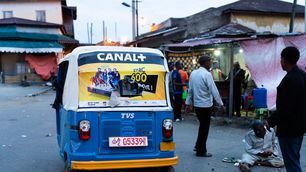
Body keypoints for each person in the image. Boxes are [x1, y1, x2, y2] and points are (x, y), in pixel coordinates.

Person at [266, 46, 306, 172]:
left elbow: (286, 108)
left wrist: (270, 121)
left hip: (289, 128)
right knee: (294, 159)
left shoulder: (290, 79)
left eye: (281, 59)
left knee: (292, 164)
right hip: (299, 126)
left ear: (283, 60)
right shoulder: (301, 75)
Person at [185, 55, 224, 157]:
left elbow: (190, 90)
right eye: (210, 61)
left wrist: (188, 104)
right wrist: (221, 104)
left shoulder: (193, 73)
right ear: (205, 62)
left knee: (202, 126)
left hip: (197, 106)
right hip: (206, 105)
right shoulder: (206, 74)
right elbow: (214, 90)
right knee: (204, 128)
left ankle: (198, 146)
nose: (211, 63)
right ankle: (201, 151)